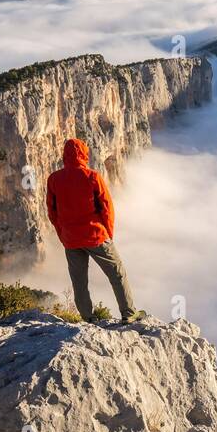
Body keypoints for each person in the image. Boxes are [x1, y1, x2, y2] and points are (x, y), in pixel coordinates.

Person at [45, 137, 146, 324]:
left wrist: (63, 233)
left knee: (79, 281)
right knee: (117, 273)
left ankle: (87, 319)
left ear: (64, 155)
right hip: (96, 236)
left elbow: (52, 212)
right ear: (84, 154)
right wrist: (108, 234)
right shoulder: (92, 177)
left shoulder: (54, 179)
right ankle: (128, 312)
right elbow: (107, 208)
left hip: (71, 239)